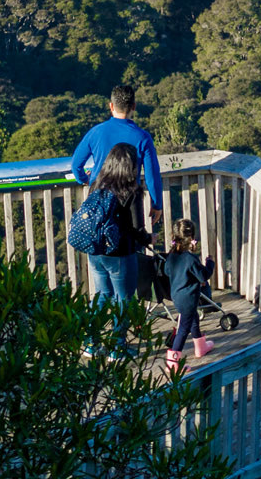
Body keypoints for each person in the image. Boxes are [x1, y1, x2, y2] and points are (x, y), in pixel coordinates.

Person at [87, 143, 151, 358]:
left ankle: (91, 343)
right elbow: (136, 229)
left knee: (102, 295)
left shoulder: (96, 185)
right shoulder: (131, 190)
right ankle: (117, 347)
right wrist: (150, 238)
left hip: (95, 251)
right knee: (123, 300)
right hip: (120, 254)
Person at [71, 85, 165, 227]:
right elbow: (152, 175)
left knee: (101, 241)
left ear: (111, 106)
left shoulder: (96, 132)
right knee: (129, 244)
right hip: (129, 200)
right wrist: (156, 204)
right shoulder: (143, 137)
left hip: (99, 197)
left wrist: (85, 179)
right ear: (134, 106)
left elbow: (76, 165)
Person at [163, 219, 216, 373]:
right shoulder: (191, 258)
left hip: (177, 295)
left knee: (193, 320)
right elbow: (203, 276)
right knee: (183, 329)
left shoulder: (171, 256)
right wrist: (209, 263)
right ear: (192, 237)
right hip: (188, 298)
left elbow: (167, 272)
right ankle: (172, 363)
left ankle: (200, 347)